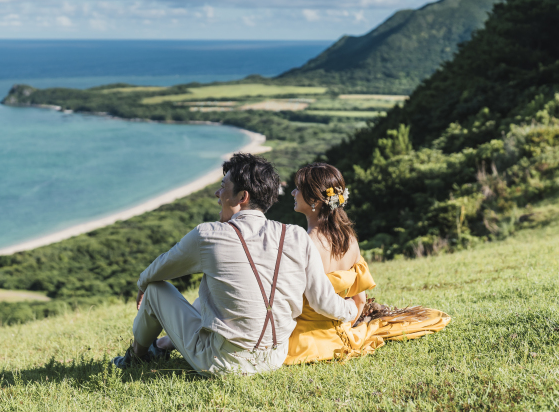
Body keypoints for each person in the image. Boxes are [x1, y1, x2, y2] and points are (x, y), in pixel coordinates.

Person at [111, 153, 358, 376]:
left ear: (243, 196)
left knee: (155, 290)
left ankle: (135, 357)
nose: (218, 194)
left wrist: (143, 284)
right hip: (274, 358)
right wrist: (352, 310)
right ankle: (157, 347)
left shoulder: (208, 235)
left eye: (222, 187)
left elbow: (160, 268)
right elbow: (322, 300)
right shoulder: (295, 235)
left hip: (222, 361)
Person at [284, 162, 451, 364]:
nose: (293, 192)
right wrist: (348, 326)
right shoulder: (350, 242)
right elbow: (360, 301)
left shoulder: (303, 244)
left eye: (298, 188)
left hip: (304, 342)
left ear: (315, 200)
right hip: (344, 336)